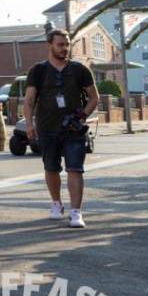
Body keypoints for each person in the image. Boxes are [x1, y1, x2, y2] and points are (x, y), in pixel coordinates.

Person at [22, 29, 98, 229]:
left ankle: (76, 212)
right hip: (46, 128)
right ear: (50, 45)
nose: (65, 48)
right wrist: (29, 124)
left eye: (67, 44)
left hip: (73, 128)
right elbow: (29, 100)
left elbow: (94, 97)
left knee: (75, 169)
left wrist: (81, 117)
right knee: (51, 168)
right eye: (60, 45)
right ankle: (56, 203)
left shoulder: (80, 70)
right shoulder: (38, 70)